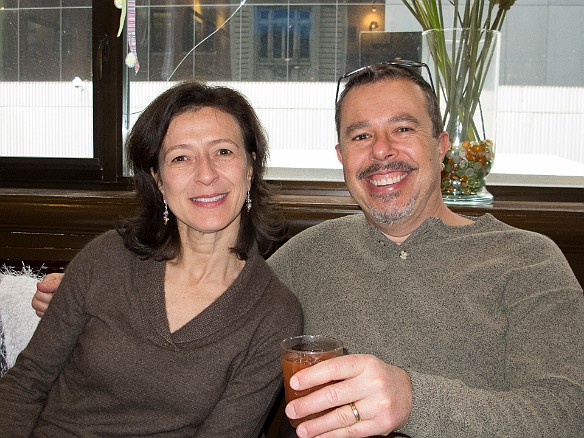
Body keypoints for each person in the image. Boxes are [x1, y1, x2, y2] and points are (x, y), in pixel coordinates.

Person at [31, 65, 584, 437]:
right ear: (340, 156)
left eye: (403, 129)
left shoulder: (526, 259)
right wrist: (91, 300)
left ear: (441, 146)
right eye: (361, 136)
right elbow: (214, 301)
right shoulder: (305, 258)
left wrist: (415, 398)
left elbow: (568, 411)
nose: (382, 151)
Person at [0, 81, 303, 437]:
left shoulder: (274, 315)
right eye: (180, 157)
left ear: (250, 167)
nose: (205, 174)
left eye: (223, 152)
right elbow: (26, 384)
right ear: (158, 179)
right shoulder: (106, 258)